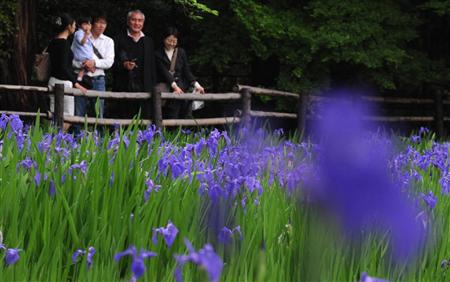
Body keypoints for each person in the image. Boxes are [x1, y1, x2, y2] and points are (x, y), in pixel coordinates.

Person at [112, 9, 156, 119]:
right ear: (128, 21)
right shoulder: (118, 39)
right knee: (123, 118)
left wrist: (152, 86)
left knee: (143, 119)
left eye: (140, 20)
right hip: (123, 85)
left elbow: (152, 66)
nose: (137, 23)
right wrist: (123, 65)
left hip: (144, 87)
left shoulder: (148, 41)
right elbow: (112, 62)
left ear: (143, 23)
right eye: (134, 20)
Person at [47, 13, 88, 131]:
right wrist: (76, 83)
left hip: (52, 80)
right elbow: (64, 68)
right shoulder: (64, 44)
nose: (75, 27)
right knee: (68, 117)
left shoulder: (53, 42)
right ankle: (57, 141)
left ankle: (49, 141)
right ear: (69, 26)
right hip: (63, 82)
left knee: (55, 115)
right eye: (74, 25)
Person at [155, 27, 204, 119]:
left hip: (180, 88)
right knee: (164, 115)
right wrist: (175, 87)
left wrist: (197, 85)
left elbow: (187, 71)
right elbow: (164, 72)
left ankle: (178, 132)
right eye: (169, 40)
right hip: (166, 88)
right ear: (164, 39)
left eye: (174, 41)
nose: (171, 43)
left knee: (180, 115)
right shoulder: (157, 54)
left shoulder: (181, 52)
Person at [72, 14, 115, 119]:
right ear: (91, 24)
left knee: (98, 112)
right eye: (99, 23)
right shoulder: (79, 36)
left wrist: (94, 63)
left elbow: (109, 62)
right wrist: (83, 64)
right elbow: (72, 60)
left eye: (104, 23)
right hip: (81, 80)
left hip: (98, 79)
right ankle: (78, 135)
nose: (101, 26)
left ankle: (99, 135)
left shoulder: (108, 41)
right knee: (78, 110)